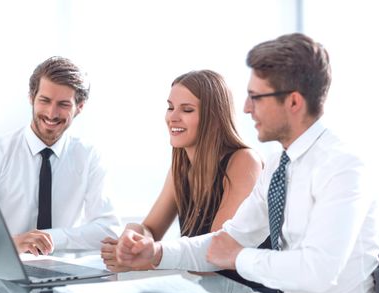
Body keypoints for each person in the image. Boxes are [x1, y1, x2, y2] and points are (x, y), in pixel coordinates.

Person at [115, 33, 379, 293]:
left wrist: (238, 257)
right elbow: (224, 243)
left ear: (293, 102)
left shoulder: (342, 166)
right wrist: (155, 253)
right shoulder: (280, 167)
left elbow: (318, 270)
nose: (245, 107)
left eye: (256, 97)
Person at [0, 56, 120, 255]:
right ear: (31, 97)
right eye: (44, 101)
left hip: (62, 275)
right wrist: (13, 243)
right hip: (0, 272)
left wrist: (50, 238)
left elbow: (109, 230)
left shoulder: (89, 157)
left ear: (79, 107)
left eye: (63, 104)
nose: (51, 114)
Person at [100, 70, 262, 275]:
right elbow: (151, 229)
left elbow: (217, 253)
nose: (172, 117)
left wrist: (147, 261)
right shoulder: (181, 168)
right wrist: (134, 238)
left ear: (213, 117)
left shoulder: (244, 161)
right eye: (170, 107)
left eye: (187, 110)